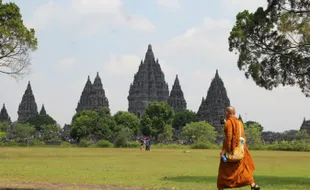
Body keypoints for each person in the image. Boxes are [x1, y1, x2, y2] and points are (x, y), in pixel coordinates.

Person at [217, 106, 260, 190]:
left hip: (231, 150)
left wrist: (229, 149)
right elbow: (241, 136)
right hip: (240, 149)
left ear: (227, 113)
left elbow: (229, 136)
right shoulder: (239, 122)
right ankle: (253, 184)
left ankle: (221, 188)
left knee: (224, 170)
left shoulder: (229, 122)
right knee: (242, 169)